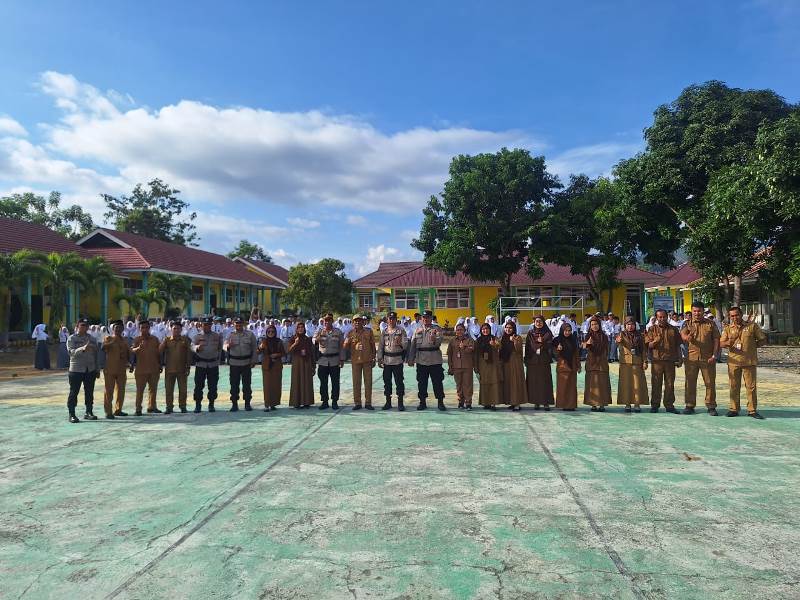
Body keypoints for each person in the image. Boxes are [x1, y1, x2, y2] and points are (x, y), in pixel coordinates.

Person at [719, 306, 768, 419]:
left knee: (751, 387)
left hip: (749, 361)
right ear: (730, 317)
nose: (734, 317)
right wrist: (729, 342)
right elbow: (721, 343)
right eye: (732, 316)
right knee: (734, 386)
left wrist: (753, 346)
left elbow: (763, 339)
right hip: (734, 362)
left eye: (736, 315)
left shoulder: (752, 326)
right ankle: (734, 409)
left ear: (741, 315)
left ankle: (752, 410)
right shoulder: (728, 328)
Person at [680, 301, 720, 416]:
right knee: (690, 382)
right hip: (691, 358)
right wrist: (687, 337)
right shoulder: (687, 324)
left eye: (699, 311)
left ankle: (711, 406)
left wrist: (714, 355)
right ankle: (689, 405)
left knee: (709, 383)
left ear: (703, 311)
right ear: (691, 311)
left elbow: (716, 340)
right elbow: (683, 335)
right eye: (694, 311)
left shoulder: (711, 324)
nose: (697, 313)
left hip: (707, 358)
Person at [407, 310, 446, 410]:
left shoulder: (437, 329)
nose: (425, 319)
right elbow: (413, 345)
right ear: (422, 319)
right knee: (421, 383)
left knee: (437, 382)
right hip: (421, 360)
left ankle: (440, 402)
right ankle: (422, 402)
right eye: (424, 317)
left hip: (434, 360)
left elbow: (439, 341)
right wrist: (411, 359)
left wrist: (434, 339)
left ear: (431, 318)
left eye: (428, 317)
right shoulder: (417, 330)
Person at [645, 309, 682, 413]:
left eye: (664, 317)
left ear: (667, 317)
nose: (662, 319)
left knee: (670, 384)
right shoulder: (652, 329)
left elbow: (678, 345)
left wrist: (680, 358)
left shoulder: (673, 329)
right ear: (656, 318)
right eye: (660, 317)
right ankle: (655, 405)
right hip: (657, 360)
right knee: (656, 383)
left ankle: (669, 405)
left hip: (670, 360)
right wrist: (656, 341)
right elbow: (648, 345)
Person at [65, 318, 99, 423]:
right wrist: (82, 349)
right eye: (82, 325)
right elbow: (71, 352)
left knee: (89, 392)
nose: (84, 327)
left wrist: (97, 368)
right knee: (74, 392)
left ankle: (89, 412)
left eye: (86, 325)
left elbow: (96, 354)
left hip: (90, 369)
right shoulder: (72, 338)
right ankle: (72, 414)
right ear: (77, 326)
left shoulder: (92, 338)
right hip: (76, 369)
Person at [224, 316, 258, 411]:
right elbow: (224, 345)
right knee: (234, 385)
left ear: (243, 324)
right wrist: (228, 346)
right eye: (237, 324)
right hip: (234, 363)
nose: (238, 326)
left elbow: (254, 348)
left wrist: (254, 360)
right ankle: (234, 404)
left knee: (247, 385)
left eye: (240, 324)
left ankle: (247, 403)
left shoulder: (250, 334)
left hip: (246, 363)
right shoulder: (230, 334)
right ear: (234, 324)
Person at [615, 317, 649, 412]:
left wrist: (645, 361)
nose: (630, 326)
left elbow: (643, 350)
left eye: (632, 324)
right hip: (625, 362)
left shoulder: (640, 335)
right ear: (625, 325)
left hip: (637, 361)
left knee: (637, 383)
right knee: (626, 383)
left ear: (635, 325)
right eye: (628, 324)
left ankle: (637, 404)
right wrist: (618, 341)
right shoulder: (621, 334)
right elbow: (617, 343)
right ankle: (627, 404)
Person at [313, 313, 345, 410]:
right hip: (322, 360)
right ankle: (325, 401)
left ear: (332, 321)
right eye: (325, 320)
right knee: (323, 382)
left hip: (334, 360)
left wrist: (342, 359)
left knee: (335, 382)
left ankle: (335, 401)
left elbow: (342, 346)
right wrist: (317, 338)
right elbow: (313, 340)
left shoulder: (338, 332)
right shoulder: (319, 331)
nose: (327, 322)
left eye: (329, 320)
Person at [377, 311, 408, 410]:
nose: (391, 320)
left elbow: (406, 345)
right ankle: (388, 402)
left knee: (399, 382)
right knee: (387, 382)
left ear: (396, 320)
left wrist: (400, 343)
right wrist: (379, 358)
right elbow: (381, 346)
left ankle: (400, 403)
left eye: (393, 319)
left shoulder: (401, 331)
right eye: (390, 319)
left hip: (397, 360)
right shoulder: (384, 331)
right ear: (387, 320)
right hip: (387, 361)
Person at [344, 314, 377, 410]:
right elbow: (344, 346)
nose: (357, 322)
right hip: (355, 361)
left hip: (367, 360)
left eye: (359, 320)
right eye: (355, 321)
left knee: (368, 382)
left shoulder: (369, 331)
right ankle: (357, 403)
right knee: (356, 382)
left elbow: (373, 345)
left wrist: (374, 357)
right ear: (353, 323)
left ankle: (368, 403)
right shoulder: (350, 333)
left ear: (363, 322)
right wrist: (349, 342)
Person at [131, 320, 162, 416]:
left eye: (146, 327)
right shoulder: (137, 339)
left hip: (154, 369)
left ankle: (152, 406)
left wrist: (160, 364)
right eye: (142, 328)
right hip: (141, 370)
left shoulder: (155, 339)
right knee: (140, 390)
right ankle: (138, 408)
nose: (144, 329)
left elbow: (159, 353)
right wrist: (138, 348)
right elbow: (132, 351)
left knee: (153, 389)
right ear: (139, 329)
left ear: (149, 328)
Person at [191, 317, 222, 413]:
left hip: (213, 364)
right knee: (199, 385)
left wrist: (218, 359)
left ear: (211, 325)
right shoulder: (197, 336)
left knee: (213, 386)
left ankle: (211, 404)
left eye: (209, 325)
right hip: (201, 364)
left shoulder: (216, 336)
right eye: (205, 325)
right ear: (202, 325)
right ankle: (198, 405)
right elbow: (192, 346)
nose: (207, 326)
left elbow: (220, 348)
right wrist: (197, 347)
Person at [160, 321, 192, 414]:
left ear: (181, 330)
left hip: (182, 369)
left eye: (178, 328)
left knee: (183, 390)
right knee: (169, 390)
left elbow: (189, 354)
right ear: (171, 329)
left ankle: (183, 406)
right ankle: (169, 407)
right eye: (174, 328)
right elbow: (159, 351)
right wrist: (163, 342)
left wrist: (188, 366)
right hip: (169, 369)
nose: (176, 330)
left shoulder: (185, 340)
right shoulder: (167, 340)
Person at [102, 320, 131, 418]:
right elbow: (103, 348)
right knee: (109, 391)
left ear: (123, 329)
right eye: (116, 328)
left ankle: (118, 410)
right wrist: (111, 343)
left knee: (121, 390)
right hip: (110, 369)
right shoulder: (108, 338)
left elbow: (127, 353)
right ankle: (108, 412)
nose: (118, 329)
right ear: (113, 329)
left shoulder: (124, 340)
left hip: (121, 369)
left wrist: (130, 363)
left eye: (120, 327)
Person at [525, 315, 554, 410]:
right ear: (534, 323)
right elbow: (528, 346)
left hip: (543, 361)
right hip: (533, 361)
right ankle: (536, 402)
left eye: (540, 321)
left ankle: (546, 402)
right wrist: (526, 359)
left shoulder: (547, 333)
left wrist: (543, 342)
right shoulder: (531, 333)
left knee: (545, 382)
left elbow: (551, 347)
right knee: (534, 382)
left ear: (543, 322)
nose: (538, 323)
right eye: (537, 321)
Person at [582, 316, 611, 412]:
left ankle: (602, 404)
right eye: (592, 324)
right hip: (592, 362)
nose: (594, 326)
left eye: (596, 324)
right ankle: (593, 403)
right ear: (590, 326)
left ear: (599, 325)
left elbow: (606, 349)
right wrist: (588, 343)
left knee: (602, 383)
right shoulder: (588, 335)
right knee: (592, 383)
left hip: (602, 362)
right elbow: (584, 346)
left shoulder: (604, 336)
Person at [446, 322, 474, 409]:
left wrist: (464, 347)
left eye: (461, 330)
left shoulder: (469, 340)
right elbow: (449, 354)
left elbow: (471, 350)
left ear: (464, 330)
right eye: (458, 330)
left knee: (468, 385)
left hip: (467, 366)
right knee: (459, 385)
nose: (459, 331)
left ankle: (468, 402)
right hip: (456, 366)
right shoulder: (452, 341)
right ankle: (461, 401)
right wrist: (450, 366)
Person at [474, 323, 502, 410]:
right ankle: (486, 403)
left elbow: (500, 347)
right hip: (482, 365)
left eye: (487, 329)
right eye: (483, 329)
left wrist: (494, 345)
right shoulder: (478, 341)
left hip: (493, 365)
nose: (485, 331)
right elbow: (475, 355)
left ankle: (493, 403)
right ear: (481, 330)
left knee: (494, 383)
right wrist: (476, 368)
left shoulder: (494, 338)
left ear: (490, 330)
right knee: (484, 384)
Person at [553, 323, 580, 410]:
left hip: (572, 366)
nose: (567, 332)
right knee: (563, 387)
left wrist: (578, 365)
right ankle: (563, 405)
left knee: (572, 387)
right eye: (565, 330)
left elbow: (576, 353)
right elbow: (554, 355)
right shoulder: (557, 340)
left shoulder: (573, 340)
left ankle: (571, 405)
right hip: (562, 366)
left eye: (569, 331)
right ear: (562, 330)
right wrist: (558, 349)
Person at [499, 320, 525, 411]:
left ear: (513, 329)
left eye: (510, 328)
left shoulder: (517, 337)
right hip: (506, 363)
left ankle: (517, 403)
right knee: (508, 382)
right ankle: (512, 402)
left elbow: (519, 350)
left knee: (515, 382)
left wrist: (514, 341)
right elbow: (500, 350)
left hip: (515, 363)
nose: (508, 329)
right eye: (506, 327)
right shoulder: (503, 338)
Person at [288, 321, 315, 408]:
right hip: (297, 363)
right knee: (297, 381)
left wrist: (313, 366)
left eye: (302, 327)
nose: (300, 329)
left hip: (306, 362)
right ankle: (296, 402)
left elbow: (312, 353)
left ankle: (306, 402)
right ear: (296, 329)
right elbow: (289, 351)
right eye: (298, 327)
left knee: (306, 381)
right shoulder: (293, 338)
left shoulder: (307, 339)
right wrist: (295, 343)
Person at [259, 323, 285, 411]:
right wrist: (260, 348)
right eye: (269, 331)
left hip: (277, 366)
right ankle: (267, 404)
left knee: (276, 385)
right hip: (267, 366)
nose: (271, 333)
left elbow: (283, 353)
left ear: (275, 332)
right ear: (266, 332)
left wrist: (276, 355)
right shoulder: (264, 341)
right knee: (267, 386)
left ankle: (273, 404)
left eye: (272, 331)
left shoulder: (279, 341)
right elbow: (257, 352)